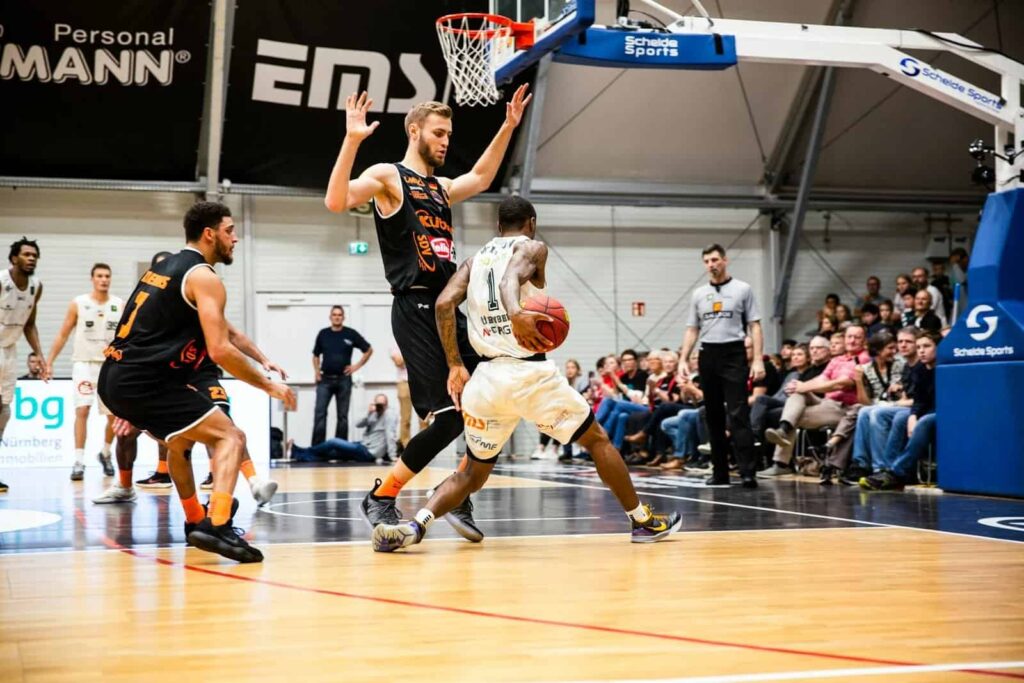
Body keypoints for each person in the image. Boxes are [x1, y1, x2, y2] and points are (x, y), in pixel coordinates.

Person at [370, 196, 681, 552]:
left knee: (471, 471)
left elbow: (443, 304)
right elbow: (510, 278)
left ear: (498, 226)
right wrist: (516, 311)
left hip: (485, 379)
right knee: (597, 441)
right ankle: (642, 521)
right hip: (529, 375)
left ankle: (416, 524)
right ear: (531, 222)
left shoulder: (474, 261)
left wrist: (456, 364)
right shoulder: (532, 247)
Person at [323, 86, 533, 537]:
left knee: (489, 402)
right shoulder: (388, 176)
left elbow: (479, 175)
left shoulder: (439, 187)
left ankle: (457, 493)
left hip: (451, 306)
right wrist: (353, 140)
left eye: (449, 135)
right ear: (414, 130)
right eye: (438, 133)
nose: (444, 142)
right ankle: (382, 495)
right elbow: (336, 201)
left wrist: (509, 126)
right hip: (415, 306)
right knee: (449, 417)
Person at [98, 202, 295, 562]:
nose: (235, 238)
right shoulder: (205, 277)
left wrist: (125, 401)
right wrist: (269, 386)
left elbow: (225, 332)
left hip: (119, 375)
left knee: (181, 441)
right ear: (209, 234)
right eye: (229, 230)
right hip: (143, 380)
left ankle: (194, 521)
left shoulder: (164, 268)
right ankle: (216, 525)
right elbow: (220, 350)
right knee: (231, 436)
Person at [679, 244, 765, 488]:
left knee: (738, 413)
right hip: (708, 353)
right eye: (706, 261)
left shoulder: (742, 289)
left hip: (734, 352)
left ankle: (748, 472)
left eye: (715, 259)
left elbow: (755, 325)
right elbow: (692, 328)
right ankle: (720, 472)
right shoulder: (698, 294)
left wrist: (757, 358)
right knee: (713, 414)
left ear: (725, 260)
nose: (711, 265)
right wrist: (683, 358)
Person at [46, 264, 123, 481]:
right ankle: (79, 460)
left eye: (107, 276)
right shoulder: (79, 303)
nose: (104, 280)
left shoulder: (119, 304)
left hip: (109, 366)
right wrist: (49, 361)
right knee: (82, 410)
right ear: (92, 279)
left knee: (114, 416)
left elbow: (126, 338)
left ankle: (106, 453)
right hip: (84, 363)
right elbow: (62, 335)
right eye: (99, 276)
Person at [0, 238, 49, 494]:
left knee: (4, 410)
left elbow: (29, 324)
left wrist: (39, 354)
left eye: (35, 255)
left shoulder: (36, 286)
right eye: (27, 254)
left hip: (9, 350)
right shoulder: (1, 280)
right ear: (14, 258)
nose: (31, 258)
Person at [311, 305, 372, 444]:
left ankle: (340, 448)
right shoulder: (323, 334)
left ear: (343, 317)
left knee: (342, 416)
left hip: (344, 380)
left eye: (339, 315)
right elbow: (315, 355)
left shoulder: (350, 334)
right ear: (330, 317)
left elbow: (368, 350)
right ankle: (317, 448)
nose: (337, 317)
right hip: (325, 380)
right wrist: (316, 372)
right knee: (320, 414)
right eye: (334, 314)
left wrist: (356, 366)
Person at [291, 394, 397, 464]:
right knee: (331, 454)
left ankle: (303, 450)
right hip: (363, 445)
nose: (379, 407)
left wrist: (392, 456)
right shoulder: (374, 413)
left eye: (381, 404)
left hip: (369, 452)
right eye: (377, 403)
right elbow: (358, 424)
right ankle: (298, 455)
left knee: (333, 442)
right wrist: (368, 413)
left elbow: (390, 435)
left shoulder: (389, 415)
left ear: (386, 404)